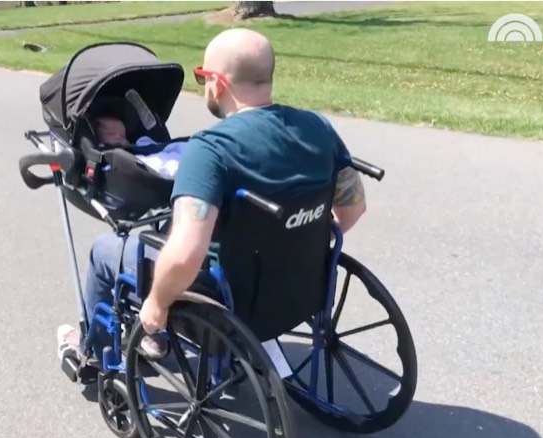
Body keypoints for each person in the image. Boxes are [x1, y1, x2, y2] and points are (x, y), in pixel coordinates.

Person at [56, 28, 367, 363]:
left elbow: (186, 254)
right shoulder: (317, 127)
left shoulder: (210, 150)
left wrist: (157, 304)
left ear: (217, 83)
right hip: (300, 289)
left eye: (202, 76)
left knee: (106, 250)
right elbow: (352, 209)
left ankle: (94, 350)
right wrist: (294, 239)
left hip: (231, 300)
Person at [93, 114, 187, 178]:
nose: (118, 136)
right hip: (136, 163)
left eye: (122, 135)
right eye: (111, 134)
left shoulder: (135, 145)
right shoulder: (105, 153)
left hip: (157, 151)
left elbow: (151, 145)